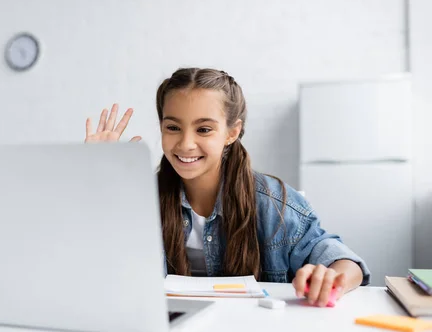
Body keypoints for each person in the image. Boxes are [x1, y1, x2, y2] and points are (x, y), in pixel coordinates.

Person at [84, 67, 370, 307]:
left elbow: (344, 261)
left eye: (204, 129)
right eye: (173, 127)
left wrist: (331, 278)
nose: (185, 143)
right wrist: (101, 186)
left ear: (232, 132)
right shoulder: (140, 199)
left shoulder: (272, 203)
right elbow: (95, 266)